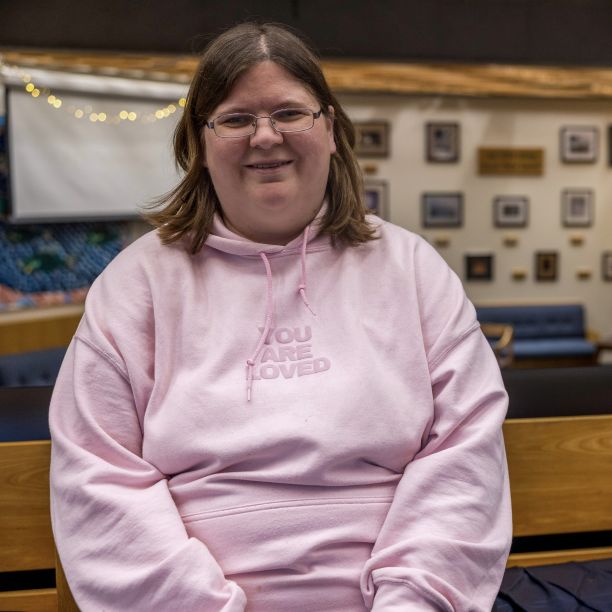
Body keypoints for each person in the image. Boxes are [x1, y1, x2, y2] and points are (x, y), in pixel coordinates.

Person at [49, 22, 512, 611]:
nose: (265, 137)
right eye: (237, 119)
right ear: (199, 142)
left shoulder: (413, 269)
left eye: (290, 113)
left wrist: (411, 604)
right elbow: (99, 481)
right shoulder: (135, 285)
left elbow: (464, 459)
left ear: (332, 131)